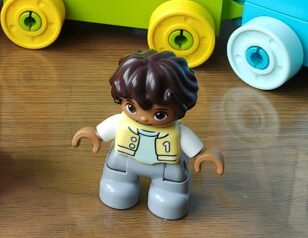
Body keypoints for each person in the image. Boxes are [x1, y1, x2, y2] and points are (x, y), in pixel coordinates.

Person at [72, 50, 223, 220]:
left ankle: (168, 193)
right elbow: (102, 131)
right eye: (131, 107)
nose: (143, 118)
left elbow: (195, 148)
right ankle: (119, 183)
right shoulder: (122, 122)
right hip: (124, 161)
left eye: (159, 114)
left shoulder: (177, 132)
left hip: (166, 169)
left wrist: (202, 155)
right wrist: (95, 135)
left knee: (170, 199)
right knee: (117, 188)